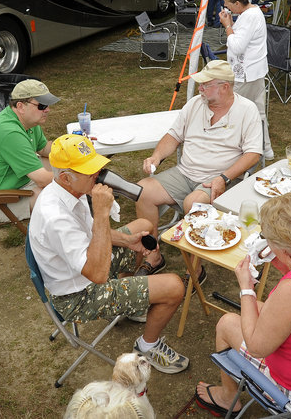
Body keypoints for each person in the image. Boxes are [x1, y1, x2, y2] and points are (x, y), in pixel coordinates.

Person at [28, 134, 190, 374]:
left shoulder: (70, 191)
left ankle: (128, 304)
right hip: (78, 295)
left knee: (141, 226)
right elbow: (98, 274)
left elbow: (89, 234)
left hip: (85, 268)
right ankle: (148, 346)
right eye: (88, 171)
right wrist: (102, 212)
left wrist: (128, 241)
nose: (96, 174)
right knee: (175, 287)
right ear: (65, 177)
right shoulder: (56, 217)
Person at [192, 193, 291, 416]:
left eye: (267, 236)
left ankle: (227, 397)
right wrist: (281, 260)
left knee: (226, 323)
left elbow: (256, 347)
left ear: (285, 250)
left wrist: (246, 288)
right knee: (259, 308)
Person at [135, 60, 262, 281]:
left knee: (193, 204)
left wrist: (224, 178)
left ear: (225, 87)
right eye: (200, 85)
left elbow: (253, 154)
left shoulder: (246, 110)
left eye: (206, 85)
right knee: (141, 191)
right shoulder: (194, 104)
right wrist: (156, 156)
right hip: (184, 172)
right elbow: (173, 136)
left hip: (218, 178)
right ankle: (153, 255)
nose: (200, 89)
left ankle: (195, 270)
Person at [0, 79, 59, 223]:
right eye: (41, 105)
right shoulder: (10, 133)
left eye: (47, 105)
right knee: (55, 195)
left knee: (60, 168)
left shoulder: (27, 120)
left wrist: (72, 149)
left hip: (16, 183)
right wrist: (75, 177)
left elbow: (43, 148)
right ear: (21, 106)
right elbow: (42, 178)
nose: (47, 109)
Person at [219, 0, 272, 159]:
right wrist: (233, 23)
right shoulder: (252, 12)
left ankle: (231, 152)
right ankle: (266, 148)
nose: (225, 7)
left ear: (236, 3)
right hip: (255, 71)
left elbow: (238, 46)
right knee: (259, 113)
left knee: (233, 112)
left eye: (227, 3)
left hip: (246, 74)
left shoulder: (249, 16)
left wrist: (227, 25)